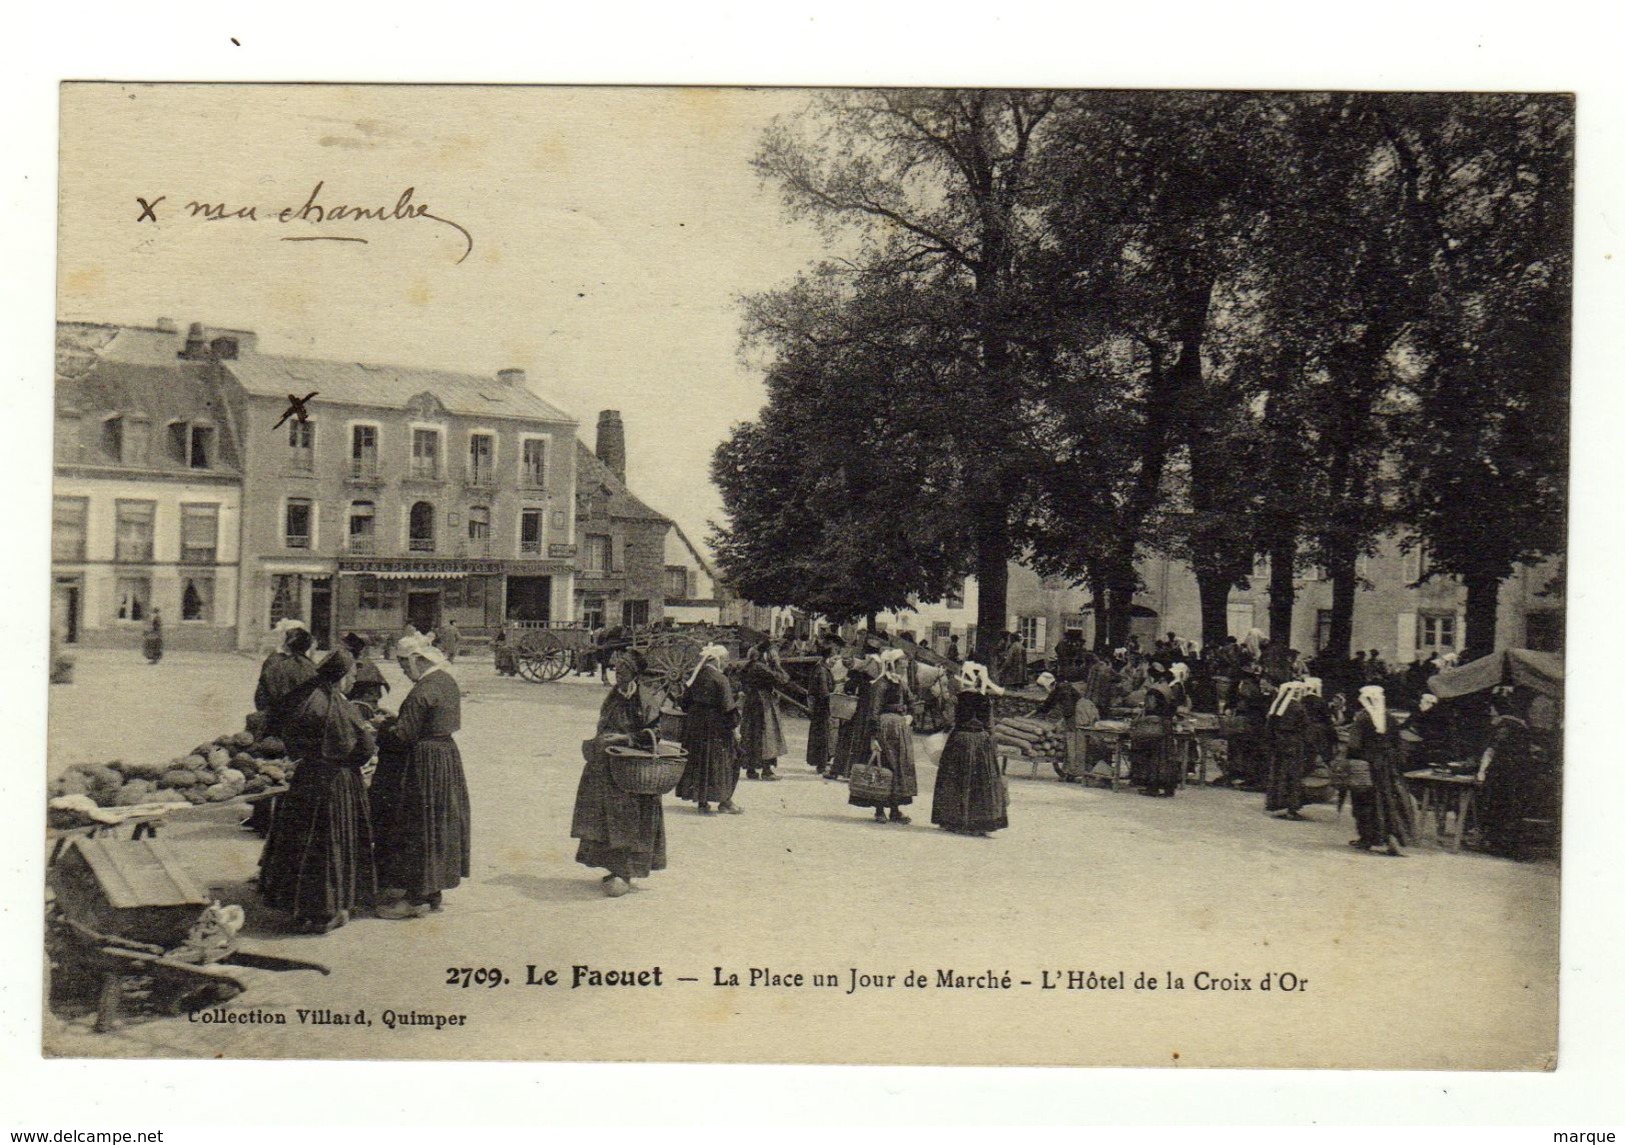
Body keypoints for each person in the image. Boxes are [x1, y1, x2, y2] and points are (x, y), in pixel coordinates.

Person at [258, 649, 378, 933]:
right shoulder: (340, 707)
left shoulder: (307, 699)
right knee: (331, 844)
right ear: (341, 677)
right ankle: (327, 911)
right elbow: (364, 749)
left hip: (306, 780)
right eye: (351, 676)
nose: (353, 681)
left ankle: (300, 908)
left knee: (302, 844)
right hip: (338, 783)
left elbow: (288, 738)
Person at [372, 635, 472, 917]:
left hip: (424, 763)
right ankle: (432, 892)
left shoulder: (422, 690)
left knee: (417, 826)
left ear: (416, 659)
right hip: (446, 757)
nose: (404, 671)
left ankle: (414, 901)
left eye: (404, 665)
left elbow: (404, 735)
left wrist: (383, 728)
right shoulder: (446, 681)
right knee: (438, 825)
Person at [570, 650, 667, 897]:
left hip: (631, 769)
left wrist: (626, 737)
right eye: (616, 669)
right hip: (608, 765)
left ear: (634, 673)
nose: (617, 673)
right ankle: (613, 867)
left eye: (623, 670)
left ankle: (625, 872)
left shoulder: (645, 699)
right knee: (605, 816)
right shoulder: (614, 694)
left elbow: (655, 734)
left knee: (629, 819)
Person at [246, 620, 318, 836]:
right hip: (299, 728)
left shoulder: (274, 663)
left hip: (275, 726)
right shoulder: (310, 668)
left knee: (272, 770)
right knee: (290, 772)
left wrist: (271, 714)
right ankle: (282, 822)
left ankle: (263, 821)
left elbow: (260, 697)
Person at [932, 661, 1009, 836]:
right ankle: (979, 823)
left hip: (960, 739)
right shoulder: (985, 700)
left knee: (954, 779)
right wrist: (992, 746)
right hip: (981, 741)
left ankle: (953, 820)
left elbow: (948, 720)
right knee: (981, 782)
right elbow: (989, 725)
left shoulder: (957, 698)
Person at [1344, 685, 1414, 857]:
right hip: (1388, 767)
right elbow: (1399, 743)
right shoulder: (1389, 718)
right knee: (1390, 800)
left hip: (1367, 765)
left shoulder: (1362, 718)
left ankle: (1367, 838)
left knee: (1365, 801)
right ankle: (1392, 837)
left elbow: (1354, 745)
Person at [850, 648, 918, 823]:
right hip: (884, 731)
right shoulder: (880, 685)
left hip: (899, 732)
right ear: (892, 665)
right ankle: (879, 810)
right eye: (901, 666)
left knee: (898, 770)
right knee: (883, 768)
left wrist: (910, 716)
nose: (904, 669)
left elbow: (911, 702)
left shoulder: (901, 684)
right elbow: (873, 712)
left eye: (905, 666)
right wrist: (874, 738)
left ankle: (895, 809)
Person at [674, 644, 742, 814]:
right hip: (716, 728)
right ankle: (725, 801)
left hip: (695, 726)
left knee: (700, 762)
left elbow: (684, 702)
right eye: (726, 660)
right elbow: (728, 709)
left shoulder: (696, 676)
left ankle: (702, 802)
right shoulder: (720, 679)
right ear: (717, 660)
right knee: (726, 761)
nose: (727, 664)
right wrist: (735, 731)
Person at [1035, 669, 1100, 781]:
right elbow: (1049, 703)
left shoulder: (1061, 690)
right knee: (1075, 742)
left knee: (1074, 743)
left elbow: (1052, 705)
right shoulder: (1063, 687)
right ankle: (1072, 771)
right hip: (1076, 715)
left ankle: (1074, 772)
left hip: (1076, 717)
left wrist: (1040, 712)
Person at [739, 641, 789, 782]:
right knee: (767, 734)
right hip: (763, 702)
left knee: (751, 734)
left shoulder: (749, 666)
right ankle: (767, 771)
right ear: (766, 655)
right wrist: (777, 664)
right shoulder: (761, 667)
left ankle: (751, 769)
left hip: (751, 702)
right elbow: (783, 679)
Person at [829, 653, 881, 782]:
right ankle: (856, 772)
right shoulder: (878, 680)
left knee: (847, 740)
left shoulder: (859, 675)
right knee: (862, 742)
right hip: (867, 713)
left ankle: (840, 770)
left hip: (855, 712)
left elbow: (849, 688)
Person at [1264, 680, 1312, 820]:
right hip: (1294, 744)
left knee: (1278, 773)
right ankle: (1292, 807)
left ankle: (1275, 803)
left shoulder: (1277, 706)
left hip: (1279, 744)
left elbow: (1269, 727)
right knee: (1293, 775)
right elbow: (1305, 727)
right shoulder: (1297, 707)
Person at [1216, 663, 1268, 789]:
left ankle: (1240, 774)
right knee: (1239, 748)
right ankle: (1237, 773)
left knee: (1241, 748)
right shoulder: (1247, 686)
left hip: (1247, 722)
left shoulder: (1247, 687)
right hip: (1245, 721)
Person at [1131, 663, 1181, 796]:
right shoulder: (1168, 688)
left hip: (1155, 724)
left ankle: (1152, 786)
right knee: (1167, 756)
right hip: (1167, 724)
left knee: (1153, 755)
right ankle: (1168, 787)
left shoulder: (1154, 689)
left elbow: (1151, 707)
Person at [805, 640, 839, 775]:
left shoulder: (821, 667)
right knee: (823, 736)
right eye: (834, 657)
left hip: (820, 706)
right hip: (822, 707)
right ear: (828, 657)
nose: (836, 661)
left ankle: (821, 763)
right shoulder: (822, 670)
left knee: (820, 735)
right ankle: (822, 765)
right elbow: (824, 692)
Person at [342, 632, 389, 710]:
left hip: (361, 703)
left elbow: (347, 689)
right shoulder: (367, 662)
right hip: (370, 701)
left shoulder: (354, 664)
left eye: (344, 648)